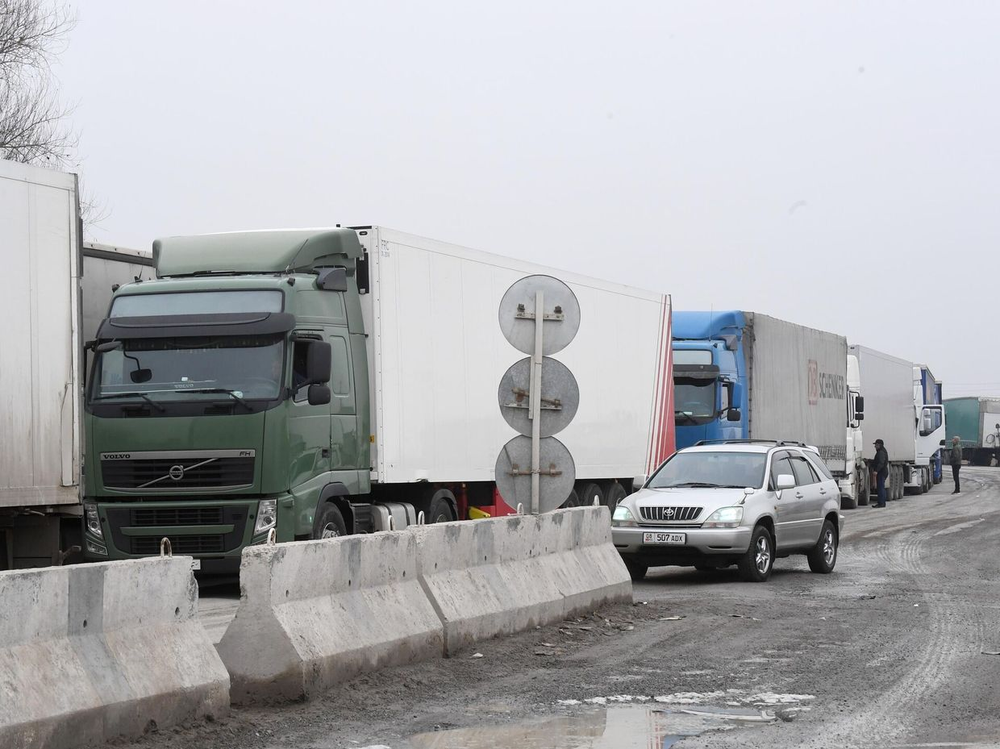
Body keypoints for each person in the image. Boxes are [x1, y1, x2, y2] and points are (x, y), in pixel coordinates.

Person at [872, 439, 889, 508]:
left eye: (876, 445)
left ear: (879, 445)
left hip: (881, 472)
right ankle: (881, 502)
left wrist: (876, 470)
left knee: (881, 488)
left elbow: (881, 463)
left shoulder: (881, 452)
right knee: (881, 487)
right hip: (882, 471)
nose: (875, 446)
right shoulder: (881, 451)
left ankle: (881, 503)